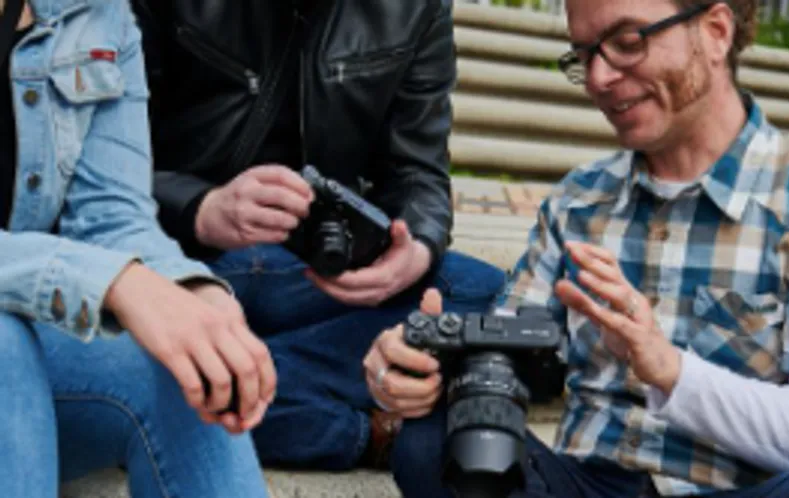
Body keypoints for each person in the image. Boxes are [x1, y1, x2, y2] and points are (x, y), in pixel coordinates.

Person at [367, 0, 789, 496]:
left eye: (627, 41)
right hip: (586, 484)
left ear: (715, 32)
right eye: (584, 53)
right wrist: (426, 368)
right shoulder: (577, 201)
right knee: (430, 438)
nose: (599, 77)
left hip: (741, 488)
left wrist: (670, 370)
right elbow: (508, 353)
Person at [129, 0, 506, 470]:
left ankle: (191, 374)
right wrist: (200, 208)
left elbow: (419, 173)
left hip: (316, 266)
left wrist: (415, 247)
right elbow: (95, 174)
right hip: (173, 257)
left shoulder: (417, 7)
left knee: (493, 302)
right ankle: (359, 431)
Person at [0, 0, 277, 496]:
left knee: (184, 362)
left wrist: (190, 292)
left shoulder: (98, 12)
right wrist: (117, 283)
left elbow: (111, 211)